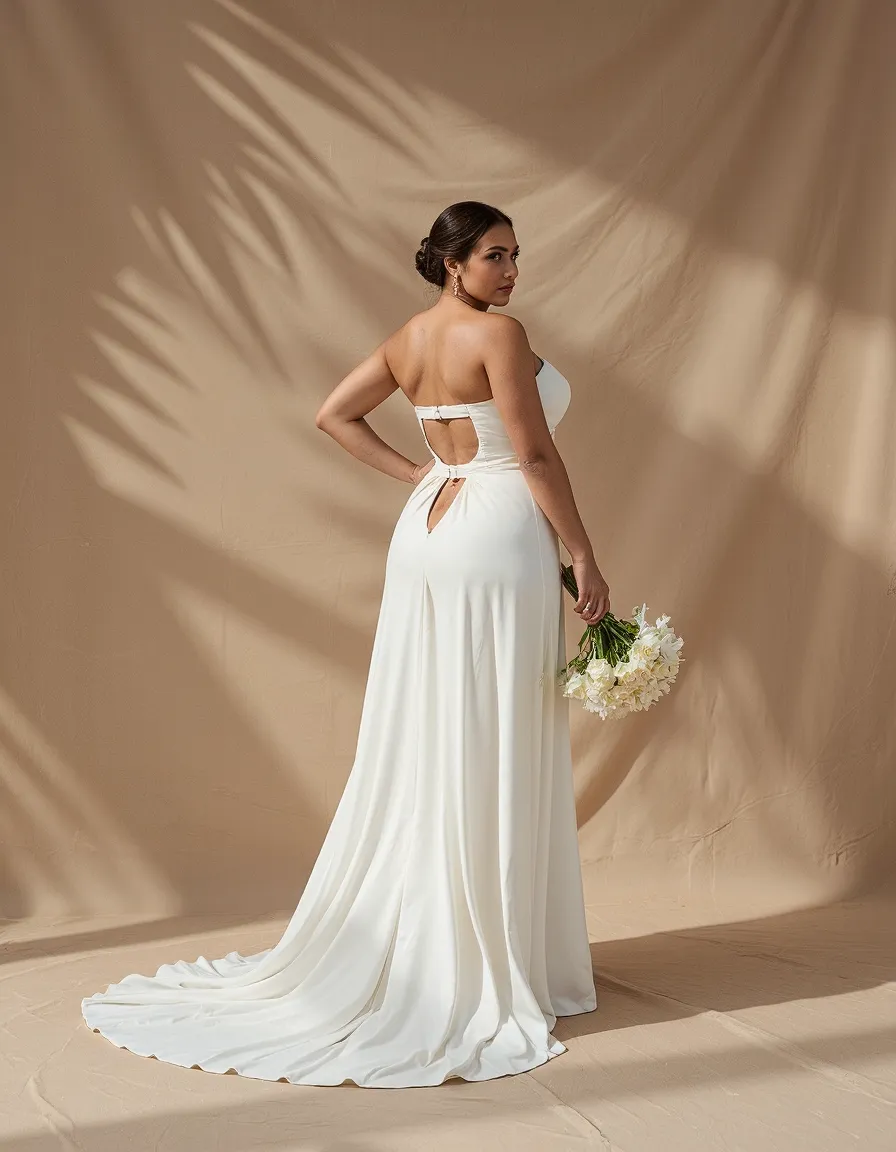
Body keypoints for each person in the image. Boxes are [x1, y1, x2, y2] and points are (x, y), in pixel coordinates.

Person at [81, 200, 610, 1088]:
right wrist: (586, 555)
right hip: (498, 537)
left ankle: (452, 936)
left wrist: (423, 476)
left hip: (429, 532)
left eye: (516, 256)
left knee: (437, 726)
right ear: (453, 262)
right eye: (493, 256)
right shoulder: (502, 337)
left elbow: (334, 413)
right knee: (497, 726)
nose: (512, 271)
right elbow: (536, 458)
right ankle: (487, 952)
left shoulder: (407, 340)